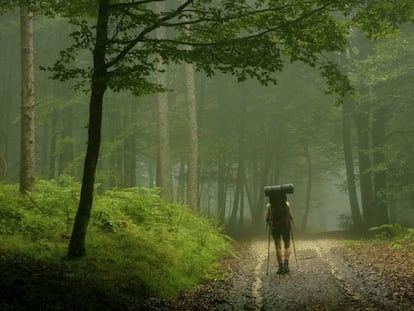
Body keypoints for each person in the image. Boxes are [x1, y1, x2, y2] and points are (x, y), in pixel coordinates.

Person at [265, 192, 293, 274]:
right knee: (287, 245)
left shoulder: (270, 205)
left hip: (275, 226)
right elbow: (291, 216)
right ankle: (286, 265)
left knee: (278, 247)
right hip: (285, 225)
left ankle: (280, 267)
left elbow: (267, 218)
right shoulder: (287, 204)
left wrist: (269, 222)